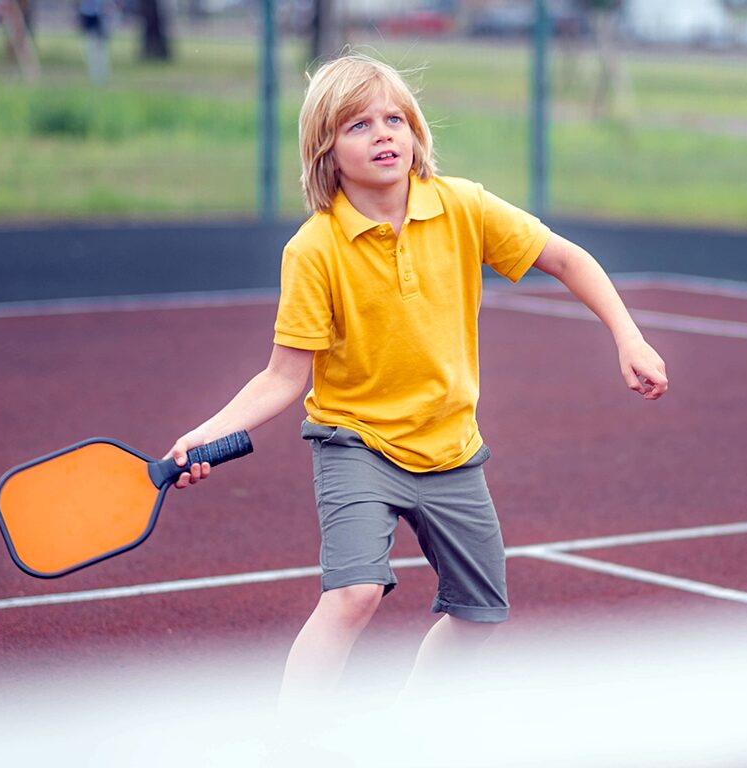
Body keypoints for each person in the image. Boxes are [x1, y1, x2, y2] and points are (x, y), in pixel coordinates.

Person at [165, 51, 667, 709]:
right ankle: (289, 744)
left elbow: (566, 258)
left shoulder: (461, 206)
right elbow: (282, 376)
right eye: (358, 126)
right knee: (352, 594)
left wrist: (627, 335)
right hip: (355, 444)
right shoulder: (313, 251)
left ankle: (408, 728)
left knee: (481, 613)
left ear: (415, 131)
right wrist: (203, 435)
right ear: (326, 152)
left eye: (394, 119)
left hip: (452, 448)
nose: (383, 135)